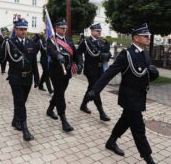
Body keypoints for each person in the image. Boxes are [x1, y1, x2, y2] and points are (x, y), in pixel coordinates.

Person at [87, 24, 159, 164]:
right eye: (145, 36)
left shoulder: (145, 52)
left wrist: (154, 74)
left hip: (140, 96)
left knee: (125, 121)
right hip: (129, 97)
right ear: (136, 38)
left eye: (148, 36)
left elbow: (145, 75)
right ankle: (149, 159)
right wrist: (95, 90)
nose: (148, 38)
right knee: (139, 129)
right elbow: (110, 72)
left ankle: (111, 142)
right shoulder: (126, 55)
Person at [0, 18, 39, 141]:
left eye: (25, 29)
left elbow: (34, 62)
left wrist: (37, 78)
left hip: (28, 77)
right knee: (19, 102)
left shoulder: (31, 43)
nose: (24, 32)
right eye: (21, 29)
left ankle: (15, 120)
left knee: (22, 101)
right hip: (15, 77)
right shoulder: (9, 43)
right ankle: (25, 129)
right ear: (15, 29)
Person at [46, 19, 83, 132]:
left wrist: (80, 64)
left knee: (59, 92)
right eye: (62, 28)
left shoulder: (68, 39)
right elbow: (50, 51)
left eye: (65, 28)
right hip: (56, 72)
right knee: (60, 95)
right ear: (56, 28)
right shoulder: (51, 40)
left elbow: (76, 54)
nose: (64, 29)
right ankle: (64, 120)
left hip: (67, 72)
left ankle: (50, 109)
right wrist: (57, 55)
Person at [77, 23, 110, 121]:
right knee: (96, 89)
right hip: (90, 69)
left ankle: (83, 105)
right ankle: (101, 113)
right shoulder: (86, 42)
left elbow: (106, 52)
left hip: (100, 69)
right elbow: (78, 53)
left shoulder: (101, 42)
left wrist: (107, 55)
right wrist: (80, 64)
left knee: (91, 89)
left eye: (100, 31)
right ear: (92, 31)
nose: (99, 32)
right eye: (97, 31)